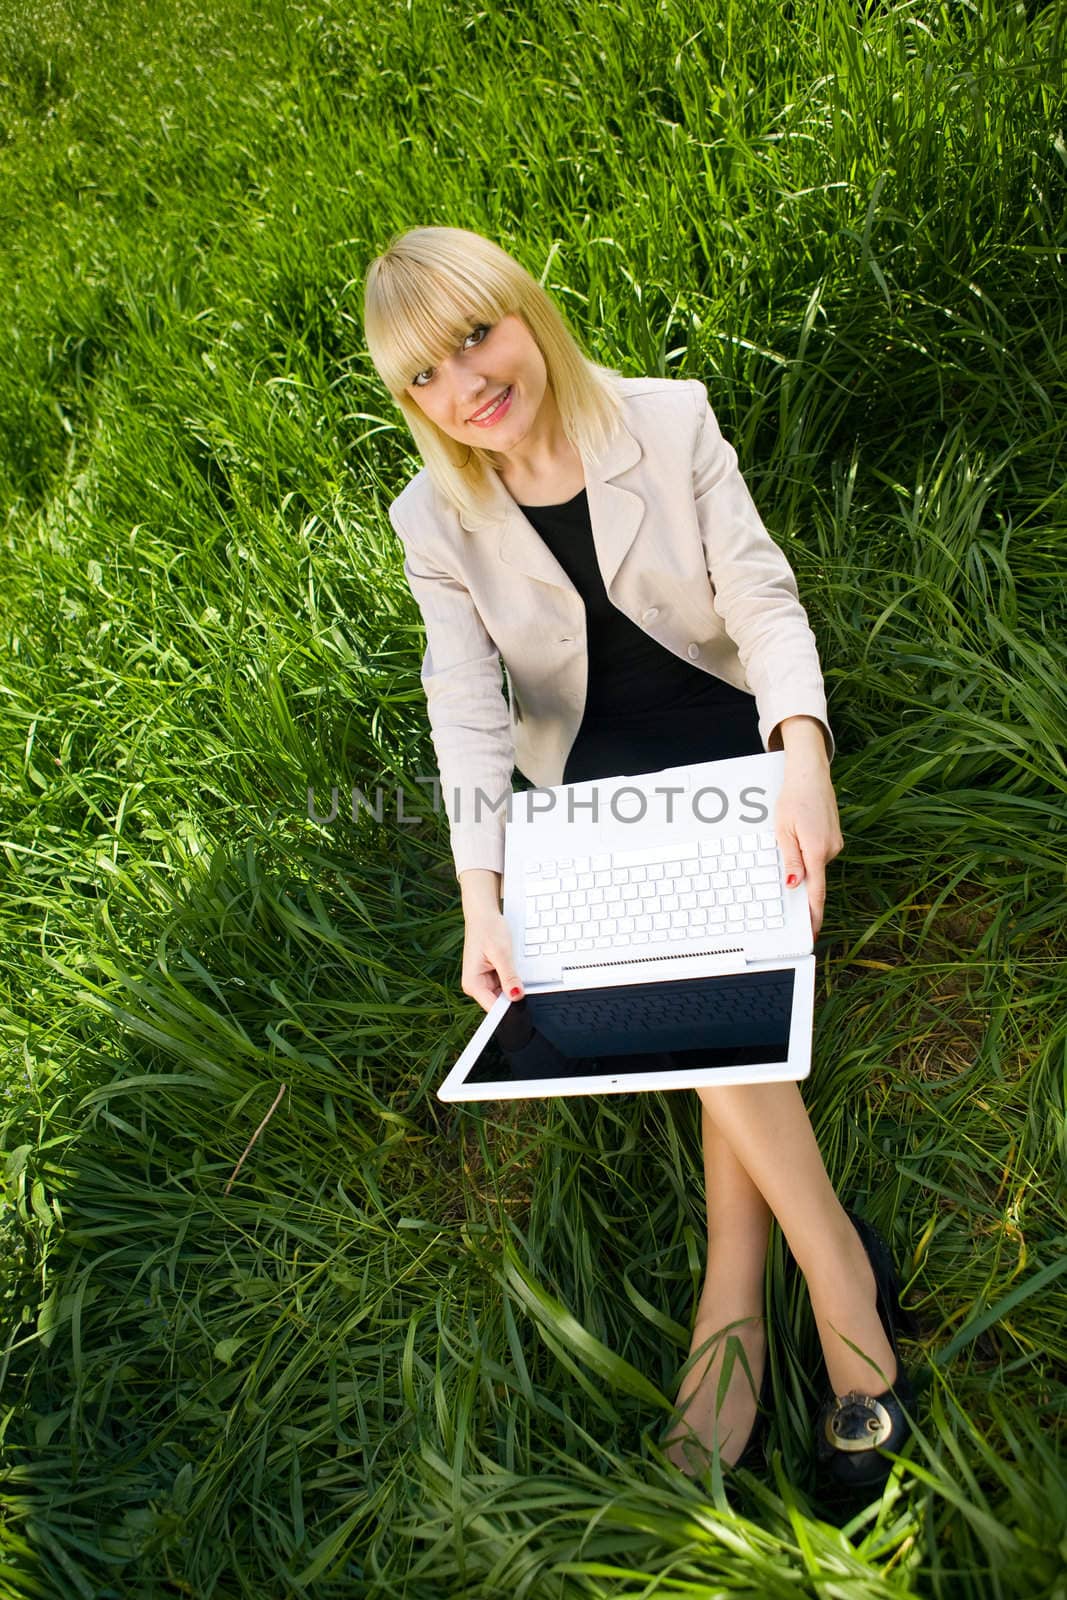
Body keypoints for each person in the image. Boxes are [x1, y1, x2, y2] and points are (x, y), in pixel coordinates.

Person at [362, 225, 916, 1493]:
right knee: (676, 967)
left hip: (727, 746)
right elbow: (466, 707)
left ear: (522, 309)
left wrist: (801, 752)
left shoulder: (667, 423)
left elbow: (761, 597)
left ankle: (749, 1287)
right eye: (425, 378)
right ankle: (824, 1262)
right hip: (592, 784)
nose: (467, 386)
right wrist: (481, 896)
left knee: (706, 964)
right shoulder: (431, 515)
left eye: (475, 336)